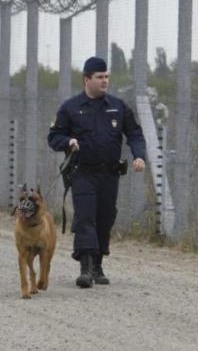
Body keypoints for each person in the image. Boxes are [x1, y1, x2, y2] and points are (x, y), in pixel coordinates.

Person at [47, 56, 146, 288]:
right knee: (85, 216)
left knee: (104, 218)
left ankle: (98, 264)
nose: (105, 81)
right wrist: (68, 141)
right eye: (100, 77)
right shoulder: (70, 108)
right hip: (83, 173)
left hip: (109, 174)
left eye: (106, 76)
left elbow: (134, 133)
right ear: (86, 79)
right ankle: (85, 268)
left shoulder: (117, 107)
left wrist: (139, 155)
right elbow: (54, 137)